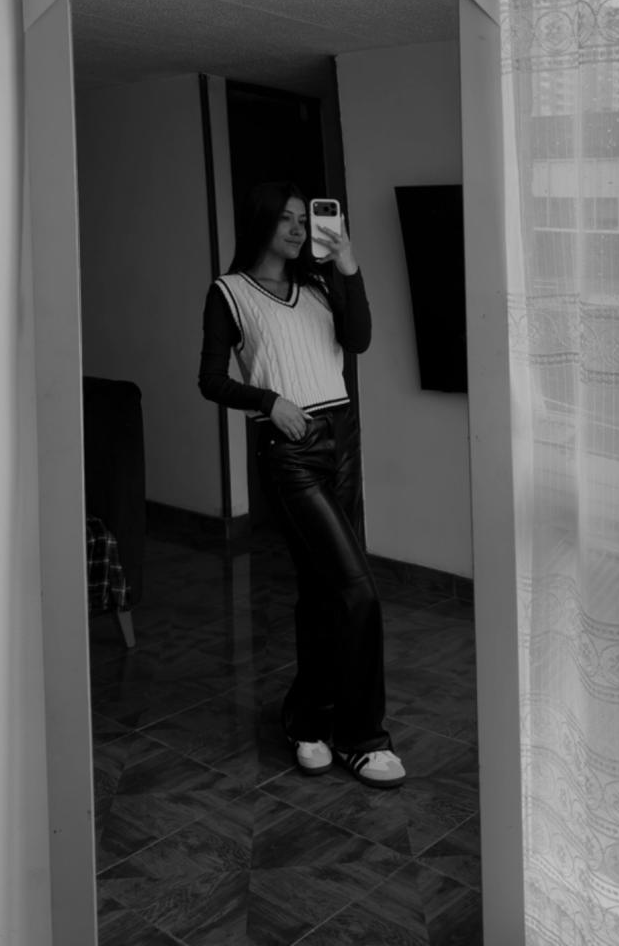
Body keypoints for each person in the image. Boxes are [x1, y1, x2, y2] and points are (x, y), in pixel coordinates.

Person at [198, 180, 405, 789]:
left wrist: (347, 265)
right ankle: (362, 739)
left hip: (342, 440)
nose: (297, 228)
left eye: (303, 219)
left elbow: (359, 340)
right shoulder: (229, 293)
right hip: (288, 448)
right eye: (286, 219)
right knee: (359, 592)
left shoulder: (318, 285)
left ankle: (308, 720)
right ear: (260, 222)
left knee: (322, 591)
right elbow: (210, 379)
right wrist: (270, 401)